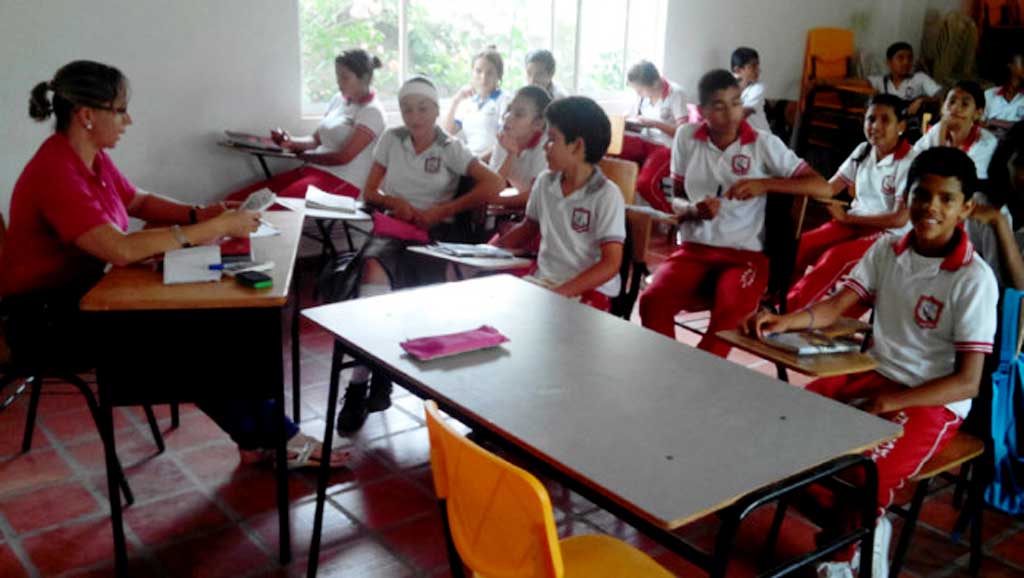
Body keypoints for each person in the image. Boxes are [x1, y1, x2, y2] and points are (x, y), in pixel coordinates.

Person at [0, 60, 345, 469]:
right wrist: (212, 227)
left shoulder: (89, 157)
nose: (128, 120)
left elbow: (138, 201)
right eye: (120, 110)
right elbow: (119, 249)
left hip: (88, 296)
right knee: (192, 342)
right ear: (86, 115)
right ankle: (276, 438)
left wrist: (201, 213)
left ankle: (261, 437)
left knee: (213, 330)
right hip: (48, 322)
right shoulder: (55, 171)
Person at [745, 147, 998, 578]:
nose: (931, 207)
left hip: (932, 400)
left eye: (946, 198)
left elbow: (967, 382)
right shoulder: (888, 250)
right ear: (907, 197)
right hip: (872, 373)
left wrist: (890, 402)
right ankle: (864, 528)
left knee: (865, 473)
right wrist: (783, 321)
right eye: (921, 194)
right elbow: (837, 306)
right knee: (779, 430)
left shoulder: (974, 279)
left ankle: (844, 557)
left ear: (966, 208)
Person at [335, 76, 504, 434]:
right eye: (407, 109)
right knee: (372, 276)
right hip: (394, 229)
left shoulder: (450, 147)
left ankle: (384, 375)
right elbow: (370, 191)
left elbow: (494, 183)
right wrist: (393, 201)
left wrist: (444, 210)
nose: (415, 117)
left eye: (423, 108)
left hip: (433, 234)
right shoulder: (391, 139)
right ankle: (362, 382)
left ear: (437, 110)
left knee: (415, 295)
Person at [638, 69, 829, 358]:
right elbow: (676, 199)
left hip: (743, 255)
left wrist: (764, 184)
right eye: (719, 106)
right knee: (652, 301)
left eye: (736, 102)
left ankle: (696, 377)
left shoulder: (762, 143)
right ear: (702, 111)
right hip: (694, 249)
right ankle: (672, 369)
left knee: (728, 319)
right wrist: (693, 210)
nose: (731, 113)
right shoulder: (686, 137)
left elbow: (821, 186)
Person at [787, 94, 917, 314]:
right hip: (854, 222)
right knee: (805, 244)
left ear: (901, 126)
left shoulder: (910, 161)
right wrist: (793, 180)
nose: (875, 126)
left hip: (889, 234)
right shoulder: (863, 150)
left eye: (885, 120)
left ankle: (792, 312)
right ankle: (780, 299)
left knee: (836, 257)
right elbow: (830, 188)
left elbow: (899, 219)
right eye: (871, 119)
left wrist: (847, 217)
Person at [494, 96, 625, 311]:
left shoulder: (606, 195)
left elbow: (610, 263)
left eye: (552, 139)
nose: (545, 147)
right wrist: (488, 251)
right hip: (546, 281)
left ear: (577, 146)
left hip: (590, 289)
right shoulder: (545, 182)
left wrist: (560, 294)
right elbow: (528, 228)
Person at [226, 49, 385, 202]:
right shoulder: (338, 99)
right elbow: (316, 140)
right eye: (337, 75)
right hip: (311, 170)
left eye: (344, 77)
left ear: (364, 79)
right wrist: (289, 142)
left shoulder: (372, 112)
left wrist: (303, 156)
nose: (339, 82)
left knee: (269, 210)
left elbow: (343, 157)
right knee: (235, 200)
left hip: (342, 179)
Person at [613, 60, 689, 212]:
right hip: (645, 140)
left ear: (654, 83)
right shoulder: (643, 96)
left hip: (666, 146)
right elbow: (636, 116)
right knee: (609, 149)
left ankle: (670, 217)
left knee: (645, 184)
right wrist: (626, 122)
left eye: (640, 90)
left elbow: (683, 132)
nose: (638, 94)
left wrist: (655, 124)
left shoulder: (676, 93)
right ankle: (623, 211)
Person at [966, 120, 1024, 289]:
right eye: (1021, 164)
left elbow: (1020, 289)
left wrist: (1000, 224)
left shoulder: (993, 214)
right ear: (1005, 161)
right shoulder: (981, 203)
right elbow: (967, 269)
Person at [443, 46, 513, 158]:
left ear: (498, 75)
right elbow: (446, 133)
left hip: (492, 160)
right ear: (472, 72)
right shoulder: (467, 102)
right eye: (478, 71)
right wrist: (456, 100)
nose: (483, 77)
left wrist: (477, 162)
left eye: (490, 73)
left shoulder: (505, 100)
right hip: (469, 158)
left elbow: (504, 141)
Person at [489, 85, 552, 209]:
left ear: (538, 123)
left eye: (518, 114)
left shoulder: (545, 147)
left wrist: (496, 201)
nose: (507, 117)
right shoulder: (505, 138)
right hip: (522, 204)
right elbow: (493, 185)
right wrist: (511, 154)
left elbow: (536, 195)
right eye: (508, 109)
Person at [868, 42, 942, 117]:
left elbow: (940, 95)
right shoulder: (880, 81)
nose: (906, 62)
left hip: (913, 121)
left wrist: (922, 100)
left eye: (910, 58)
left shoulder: (920, 78)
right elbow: (861, 84)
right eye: (900, 58)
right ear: (889, 62)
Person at [983, 50, 1024, 134]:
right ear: (1011, 66)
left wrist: (992, 121)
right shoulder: (989, 94)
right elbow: (979, 123)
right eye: (1023, 63)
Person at [731, 47, 770, 132]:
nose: (758, 70)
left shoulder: (759, 87)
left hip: (761, 136)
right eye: (753, 66)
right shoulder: (726, 85)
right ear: (738, 70)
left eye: (758, 66)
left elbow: (742, 114)